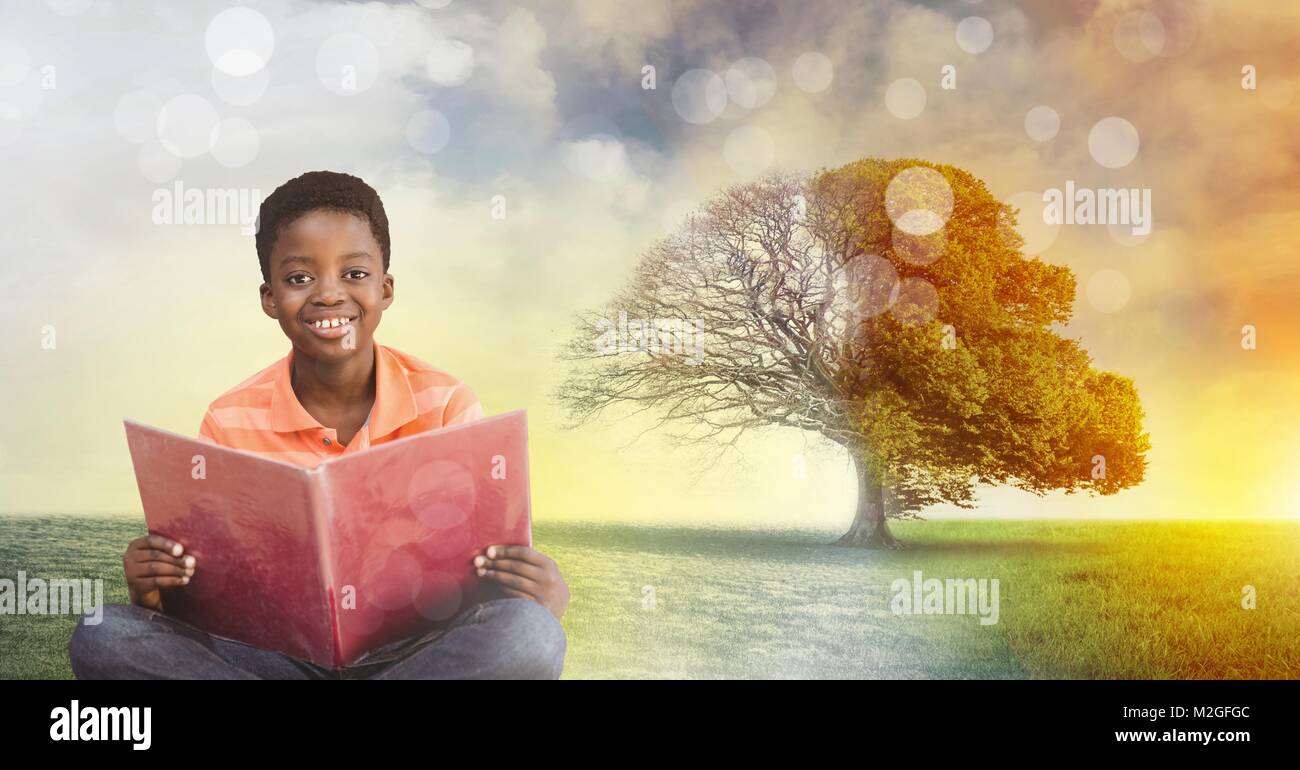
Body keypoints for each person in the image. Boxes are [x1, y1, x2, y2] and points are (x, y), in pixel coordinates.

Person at [68, 171, 569, 679]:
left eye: (354, 274)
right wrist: (154, 593)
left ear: (386, 287)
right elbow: (214, 596)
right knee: (105, 631)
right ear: (269, 298)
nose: (328, 295)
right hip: (277, 657)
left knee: (529, 633)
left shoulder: (446, 404)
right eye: (300, 278)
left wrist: (539, 592)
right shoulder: (229, 418)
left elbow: (485, 568)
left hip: (418, 653)